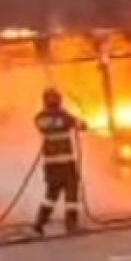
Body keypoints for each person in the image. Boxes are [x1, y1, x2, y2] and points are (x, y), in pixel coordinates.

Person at [33, 88, 87, 236]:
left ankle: (39, 222)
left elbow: (44, 126)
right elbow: (82, 126)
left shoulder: (39, 118)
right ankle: (71, 225)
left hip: (51, 165)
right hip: (66, 164)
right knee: (71, 195)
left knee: (50, 195)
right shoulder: (64, 117)